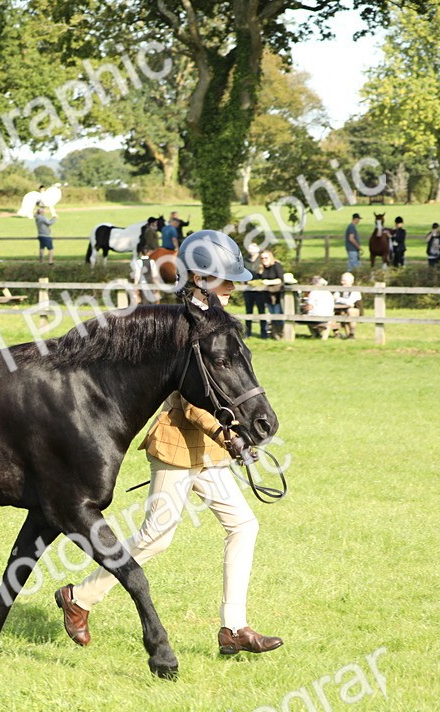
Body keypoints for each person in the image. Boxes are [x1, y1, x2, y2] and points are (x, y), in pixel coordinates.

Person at [54, 229, 282, 657]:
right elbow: (188, 401)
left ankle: (233, 626)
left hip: (210, 450)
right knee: (156, 536)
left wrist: (231, 435)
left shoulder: (215, 319)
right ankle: (79, 598)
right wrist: (227, 435)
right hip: (178, 444)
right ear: (199, 277)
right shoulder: (178, 325)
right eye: (225, 278)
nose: (234, 285)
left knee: (244, 525)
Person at [258, 248, 285, 339]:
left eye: (266, 258)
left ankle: (282, 333)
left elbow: (280, 279)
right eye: (262, 258)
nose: (264, 260)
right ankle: (275, 335)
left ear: (270, 257)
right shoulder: (261, 268)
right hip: (267, 295)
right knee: (271, 314)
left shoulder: (276, 265)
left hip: (276, 295)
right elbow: (259, 278)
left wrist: (267, 282)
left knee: (278, 314)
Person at [243, 245, 267, 339]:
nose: (252, 251)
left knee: (262, 311)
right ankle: (247, 333)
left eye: (254, 248)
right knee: (249, 311)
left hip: (260, 290)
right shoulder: (245, 260)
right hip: (248, 289)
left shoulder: (261, 259)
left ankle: (264, 333)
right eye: (250, 248)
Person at [333, 271, 362, 339]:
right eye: (342, 280)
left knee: (351, 311)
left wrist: (339, 299)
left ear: (351, 281)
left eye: (344, 281)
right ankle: (337, 333)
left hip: (355, 311)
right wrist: (341, 300)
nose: (342, 282)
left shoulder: (355, 291)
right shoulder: (339, 289)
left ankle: (351, 334)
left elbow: (350, 302)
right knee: (331, 313)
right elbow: (333, 298)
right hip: (340, 310)